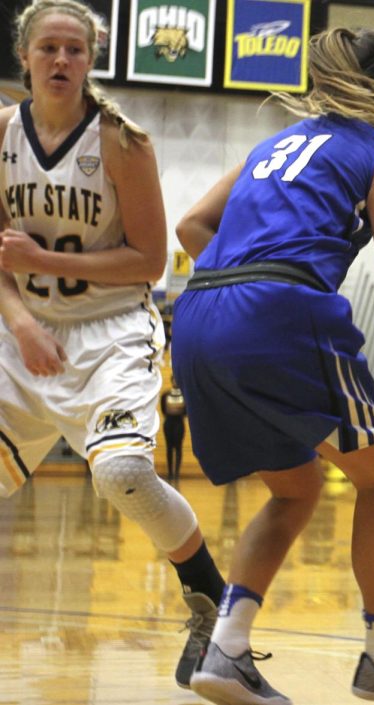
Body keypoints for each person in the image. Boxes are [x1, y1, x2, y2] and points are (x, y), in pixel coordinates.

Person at [171, 27, 374, 705]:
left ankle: (227, 648)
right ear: (367, 88)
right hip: (279, 311)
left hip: (199, 314)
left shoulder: (272, 146)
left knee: (297, 488)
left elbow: (191, 226)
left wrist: (245, 275)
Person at [0, 0, 224, 690]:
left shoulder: (123, 141)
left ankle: (211, 603)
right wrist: (21, 322)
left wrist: (47, 260)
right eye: (49, 49)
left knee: (123, 474)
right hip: (24, 330)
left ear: (91, 60)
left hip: (110, 331)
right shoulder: (1, 134)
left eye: (75, 50)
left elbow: (149, 261)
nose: (61, 60)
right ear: (25, 57)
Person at [161, 374, 187, 481]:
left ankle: (176, 473)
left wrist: (178, 415)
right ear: (172, 381)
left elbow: (186, 411)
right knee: (169, 448)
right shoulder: (165, 394)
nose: (175, 382)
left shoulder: (185, 395)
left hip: (179, 422)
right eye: (174, 380)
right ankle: (170, 472)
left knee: (178, 447)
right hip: (169, 422)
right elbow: (163, 409)